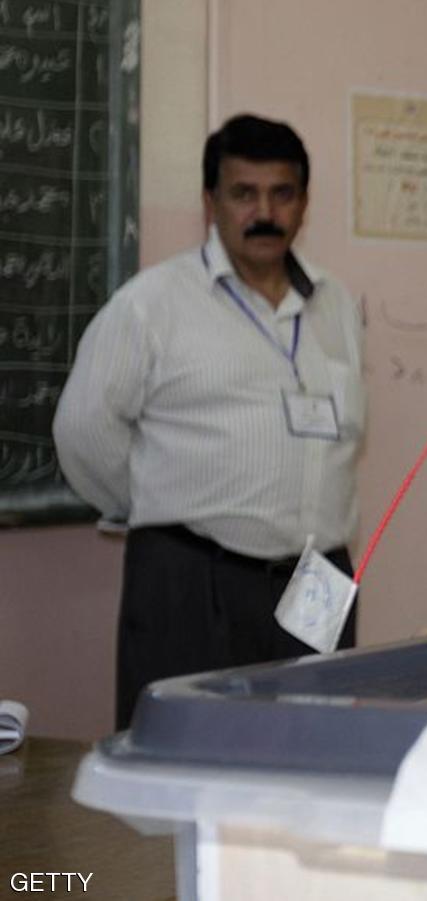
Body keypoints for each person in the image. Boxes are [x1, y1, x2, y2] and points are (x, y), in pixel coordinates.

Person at [54, 114, 365, 728]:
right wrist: (156, 507)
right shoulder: (151, 305)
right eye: (244, 193)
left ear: (304, 203)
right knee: (184, 756)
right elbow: (83, 432)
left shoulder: (335, 303)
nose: (264, 212)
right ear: (210, 202)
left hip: (318, 581)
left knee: (314, 750)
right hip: (193, 580)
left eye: (282, 193)